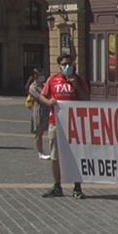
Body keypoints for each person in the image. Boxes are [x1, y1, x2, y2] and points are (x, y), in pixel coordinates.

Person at [37, 54, 89, 199]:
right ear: (59, 65)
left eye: (69, 64)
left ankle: (77, 187)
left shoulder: (79, 80)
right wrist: (48, 103)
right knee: (55, 156)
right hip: (56, 123)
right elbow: (42, 96)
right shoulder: (52, 80)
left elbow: (86, 99)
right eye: (64, 64)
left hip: (75, 125)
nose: (67, 66)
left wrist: (76, 85)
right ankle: (57, 186)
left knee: (76, 156)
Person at [28, 68, 50, 160]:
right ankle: (40, 152)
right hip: (39, 111)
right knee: (39, 133)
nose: (42, 76)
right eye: (40, 74)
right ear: (35, 76)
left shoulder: (43, 85)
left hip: (48, 110)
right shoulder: (32, 87)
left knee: (49, 131)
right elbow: (40, 97)